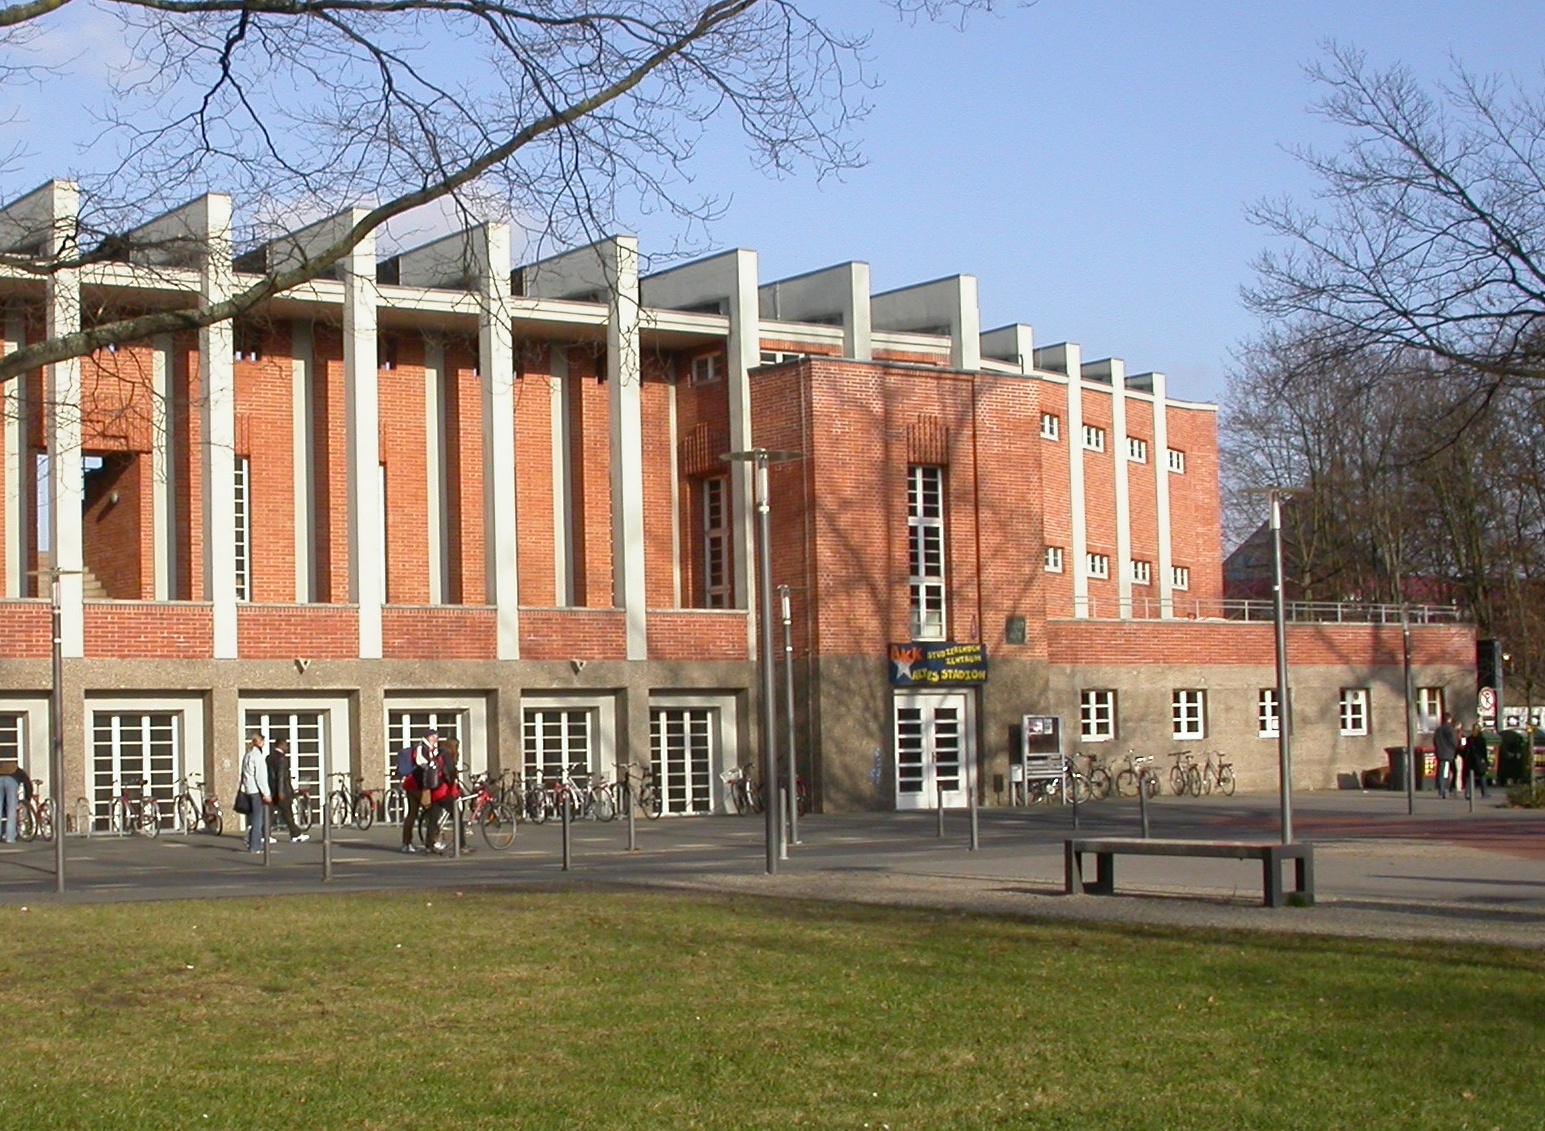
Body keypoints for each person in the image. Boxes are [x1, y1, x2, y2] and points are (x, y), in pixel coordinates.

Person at [421, 737, 469, 854]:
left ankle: (429, 845)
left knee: (433, 818)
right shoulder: (447, 756)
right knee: (457, 817)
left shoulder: (438, 755)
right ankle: (461, 845)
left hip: (435, 791)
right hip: (444, 792)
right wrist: (454, 783)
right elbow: (449, 774)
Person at [399, 730, 438, 854]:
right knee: (420, 813)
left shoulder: (430, 749)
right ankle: (408, 842)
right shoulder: (422, 749)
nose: (435, 739)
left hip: (419, 785)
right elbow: (422, 763)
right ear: (427, 737)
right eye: (433, 736)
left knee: (420, 813)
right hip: (416, 786)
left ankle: (412, 842)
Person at [266, 737, 310, 843]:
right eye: (286, 745)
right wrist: (281, 792)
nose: (287, 747)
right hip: (281, 791)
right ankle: (295, 834)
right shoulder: (281, 759)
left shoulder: (269, 757)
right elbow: (281, 776)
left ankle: (264, 834)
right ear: (280, 745)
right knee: (287, 813)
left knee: (271, 813)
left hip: (271, 789)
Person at [238, 732, 272, 853]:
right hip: (256, 791)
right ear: (260, 743)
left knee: (255, 818)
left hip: (248, 789)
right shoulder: (257, 757)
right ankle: (255, 846)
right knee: (258, 820)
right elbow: (261, 777)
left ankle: (249, 838)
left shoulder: (247, 755)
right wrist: (266, 793)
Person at [1433, 713, 1459, 798]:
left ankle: (1441, 790)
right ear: (1449, 719)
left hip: (1440, 754)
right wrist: (1456, 748)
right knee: (1453, 771)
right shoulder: (1450, 729)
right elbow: (1454, 742)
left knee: (1441, 773)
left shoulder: (1438, 730)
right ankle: (1451, 789)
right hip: (1449, 754)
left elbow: (1435, 741)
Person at [1462, 722, 1490, 800]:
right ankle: (1484, 793)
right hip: (1479, 760)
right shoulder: (1482, 739)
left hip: (1470, 759)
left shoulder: (1469, 738)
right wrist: (1486, 761)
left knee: (1469, 777)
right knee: (1482, 776)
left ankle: (1468, 793)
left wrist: (1464, 757)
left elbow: (1465, 749)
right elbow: (1484, 751)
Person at [0, 755, 19, 843]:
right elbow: (27, 785)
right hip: (12, 782)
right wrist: (27, 797)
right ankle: (10, 837)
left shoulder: (1, 770)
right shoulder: (19, 772)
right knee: (11, 810)